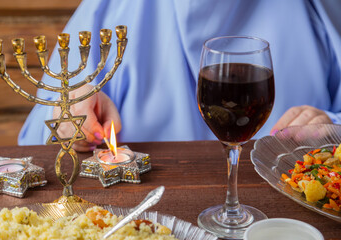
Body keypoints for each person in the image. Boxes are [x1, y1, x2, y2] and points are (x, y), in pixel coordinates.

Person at [18, 0, 341, 152]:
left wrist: (331, 126)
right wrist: (70, 114)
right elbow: (43, 128)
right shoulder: (111, 10)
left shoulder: (318, 9)